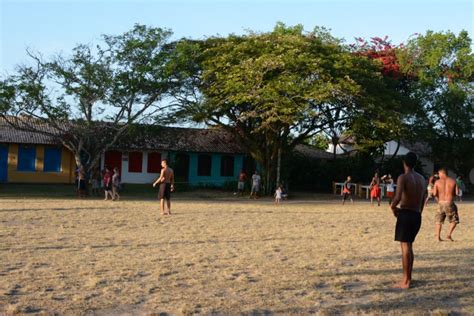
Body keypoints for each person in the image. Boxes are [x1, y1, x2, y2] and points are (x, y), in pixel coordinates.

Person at [390, 152, 426, 289]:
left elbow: (398, 197)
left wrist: (392, 207)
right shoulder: (422, 179)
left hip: (406, 214)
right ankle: (408, 278)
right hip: (416, 214)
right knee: (409, 246)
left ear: (404, 162)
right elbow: (423, 199)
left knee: (405, 247)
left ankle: (405, 281)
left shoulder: (403, 177)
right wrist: (418, 213)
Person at [433, 168, 460, 242]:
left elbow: (434, 193)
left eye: (439, 174)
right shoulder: (453, 181)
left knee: (438, 220)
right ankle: (448, 235)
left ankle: (437, 237)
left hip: (440, 203)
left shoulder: (437, 182)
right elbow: (457, 193)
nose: (438, 175)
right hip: (449, 202)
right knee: (454, 220)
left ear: (442, 173)